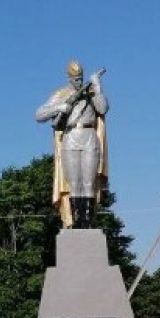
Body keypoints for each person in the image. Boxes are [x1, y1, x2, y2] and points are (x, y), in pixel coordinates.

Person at [35, 60, 108, 229]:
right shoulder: (61, 94)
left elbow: (103, 108)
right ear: (69, 78)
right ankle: (76, 220)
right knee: (74, 182)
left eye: (80, 78)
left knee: (89, 182)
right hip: (70, 135)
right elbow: (39, 115)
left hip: (89, 135)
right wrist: (59, 107)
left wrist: (97, 86)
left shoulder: (91, 92)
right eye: (75, 79)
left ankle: (88, 220)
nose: (78, 82)